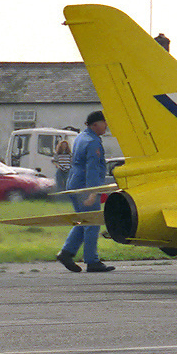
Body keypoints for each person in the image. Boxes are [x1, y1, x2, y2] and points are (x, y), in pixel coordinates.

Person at [56, 111, 115, 273]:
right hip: (85, 187)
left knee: (83, 221)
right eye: (104, 122)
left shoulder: (81, 137)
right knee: (92, 223)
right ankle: (92, 261)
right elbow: (92, 169)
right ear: (95, 124)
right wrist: (93, 193)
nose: (106, 126)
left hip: (74, 184)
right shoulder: (93, 142)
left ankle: (66, 253)